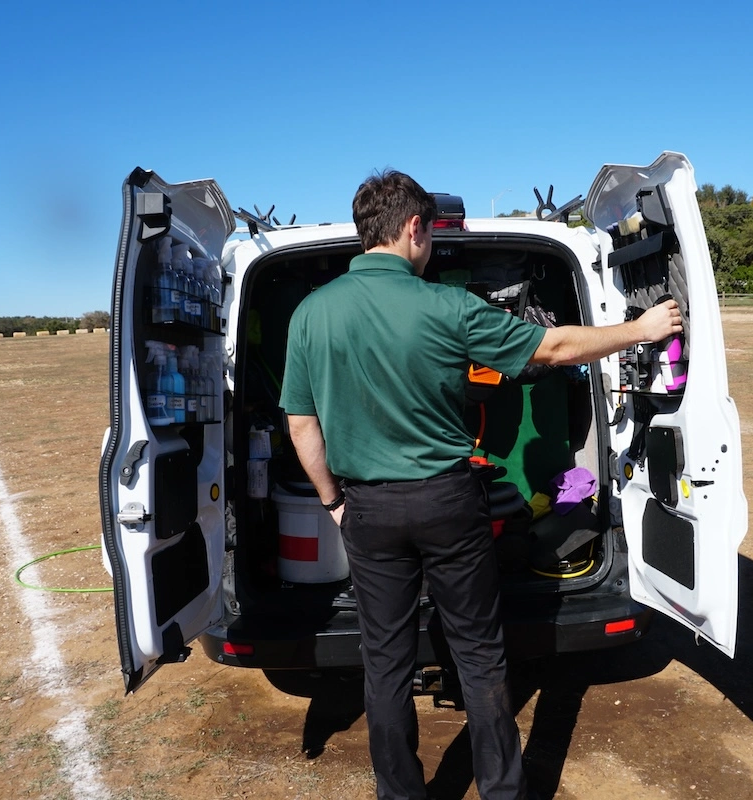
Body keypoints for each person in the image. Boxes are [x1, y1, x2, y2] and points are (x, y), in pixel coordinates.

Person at [279, 170, 681, 800]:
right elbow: (552, 348)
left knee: (384, 663)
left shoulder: (309, 314)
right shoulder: (446, 306)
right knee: (478, 654)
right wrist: (640, 330)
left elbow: (302, 427)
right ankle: (502, 790)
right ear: (414, 227)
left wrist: (334, 502)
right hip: (446, 500)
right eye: (430, 235)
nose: (431, 247)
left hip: (368, 508)